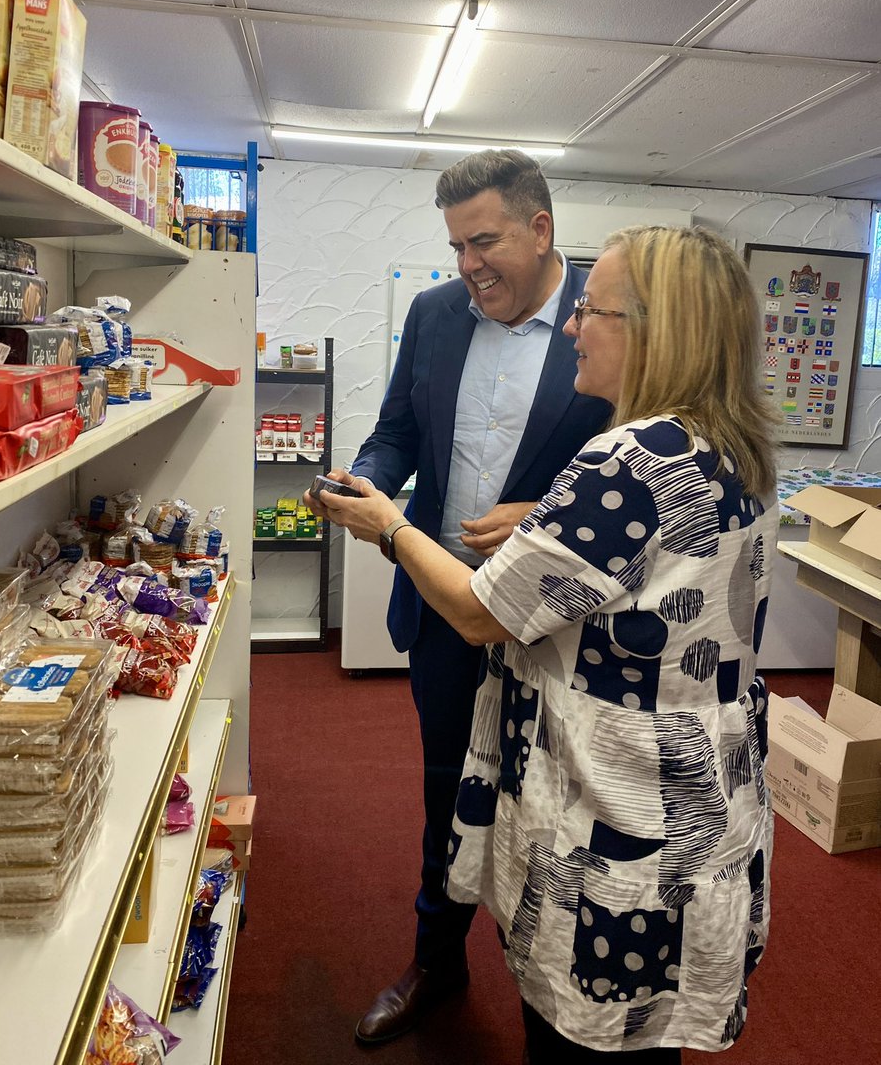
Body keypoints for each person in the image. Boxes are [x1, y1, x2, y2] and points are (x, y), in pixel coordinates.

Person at [319, 224, 778, 1062]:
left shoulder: (628, 459)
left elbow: (477, 610)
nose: (573, 325)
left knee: (579, 1033)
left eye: (593, 311)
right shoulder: (736, 450)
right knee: (643, 1034)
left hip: (614, 812)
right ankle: (438, 962)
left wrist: (387, 526)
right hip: (696, 799)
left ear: (652, 331)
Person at [305, 149, 611, 1044]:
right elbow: (397, 430)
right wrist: (365, 484)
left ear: (540, 229)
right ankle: (437, 962)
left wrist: (546, 512)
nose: (470, 266)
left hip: (561, 627)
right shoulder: (436, 313)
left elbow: (640, 460)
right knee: (448, 790)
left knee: (555, 802)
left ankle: (549, 984)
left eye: (486, 242)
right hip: (444, 607)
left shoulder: (606, 321)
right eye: (456, 246)